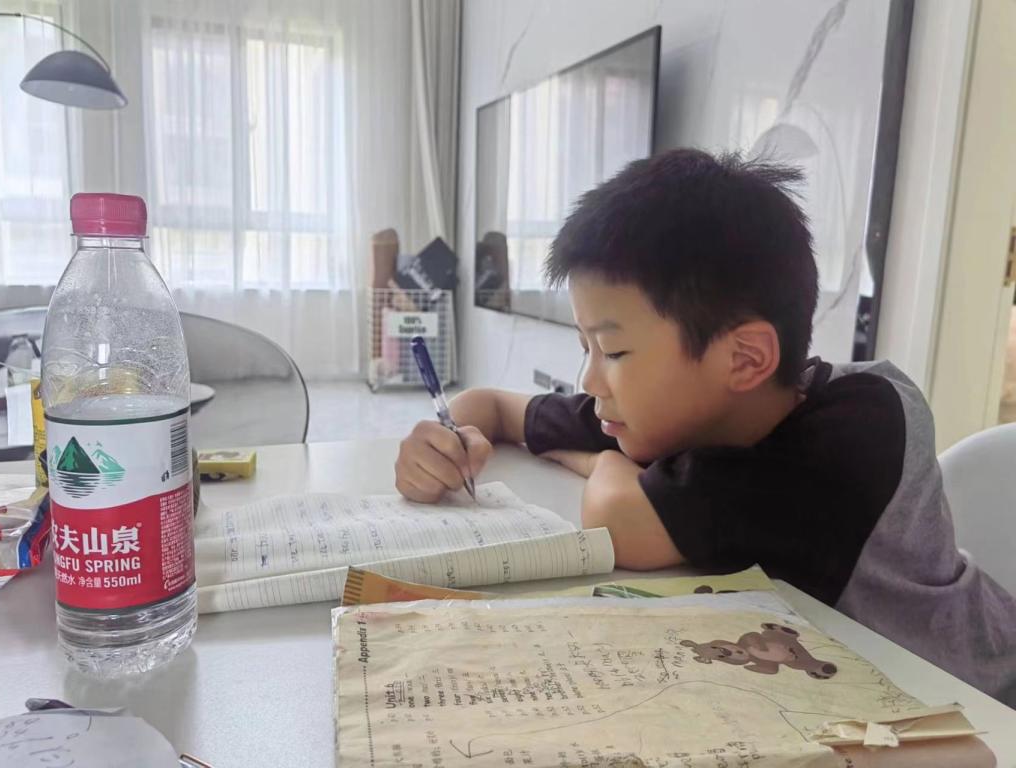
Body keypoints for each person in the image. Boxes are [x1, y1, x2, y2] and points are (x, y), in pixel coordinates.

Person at [394, 148, 1016, 706]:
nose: (590, 380)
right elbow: (494, 406)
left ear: (744, 359)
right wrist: (447, 438)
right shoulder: (680, 402)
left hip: (977, 698)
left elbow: (620, 522)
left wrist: (600, 460)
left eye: (612, 351)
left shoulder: (853, 433)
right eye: (585, 346)